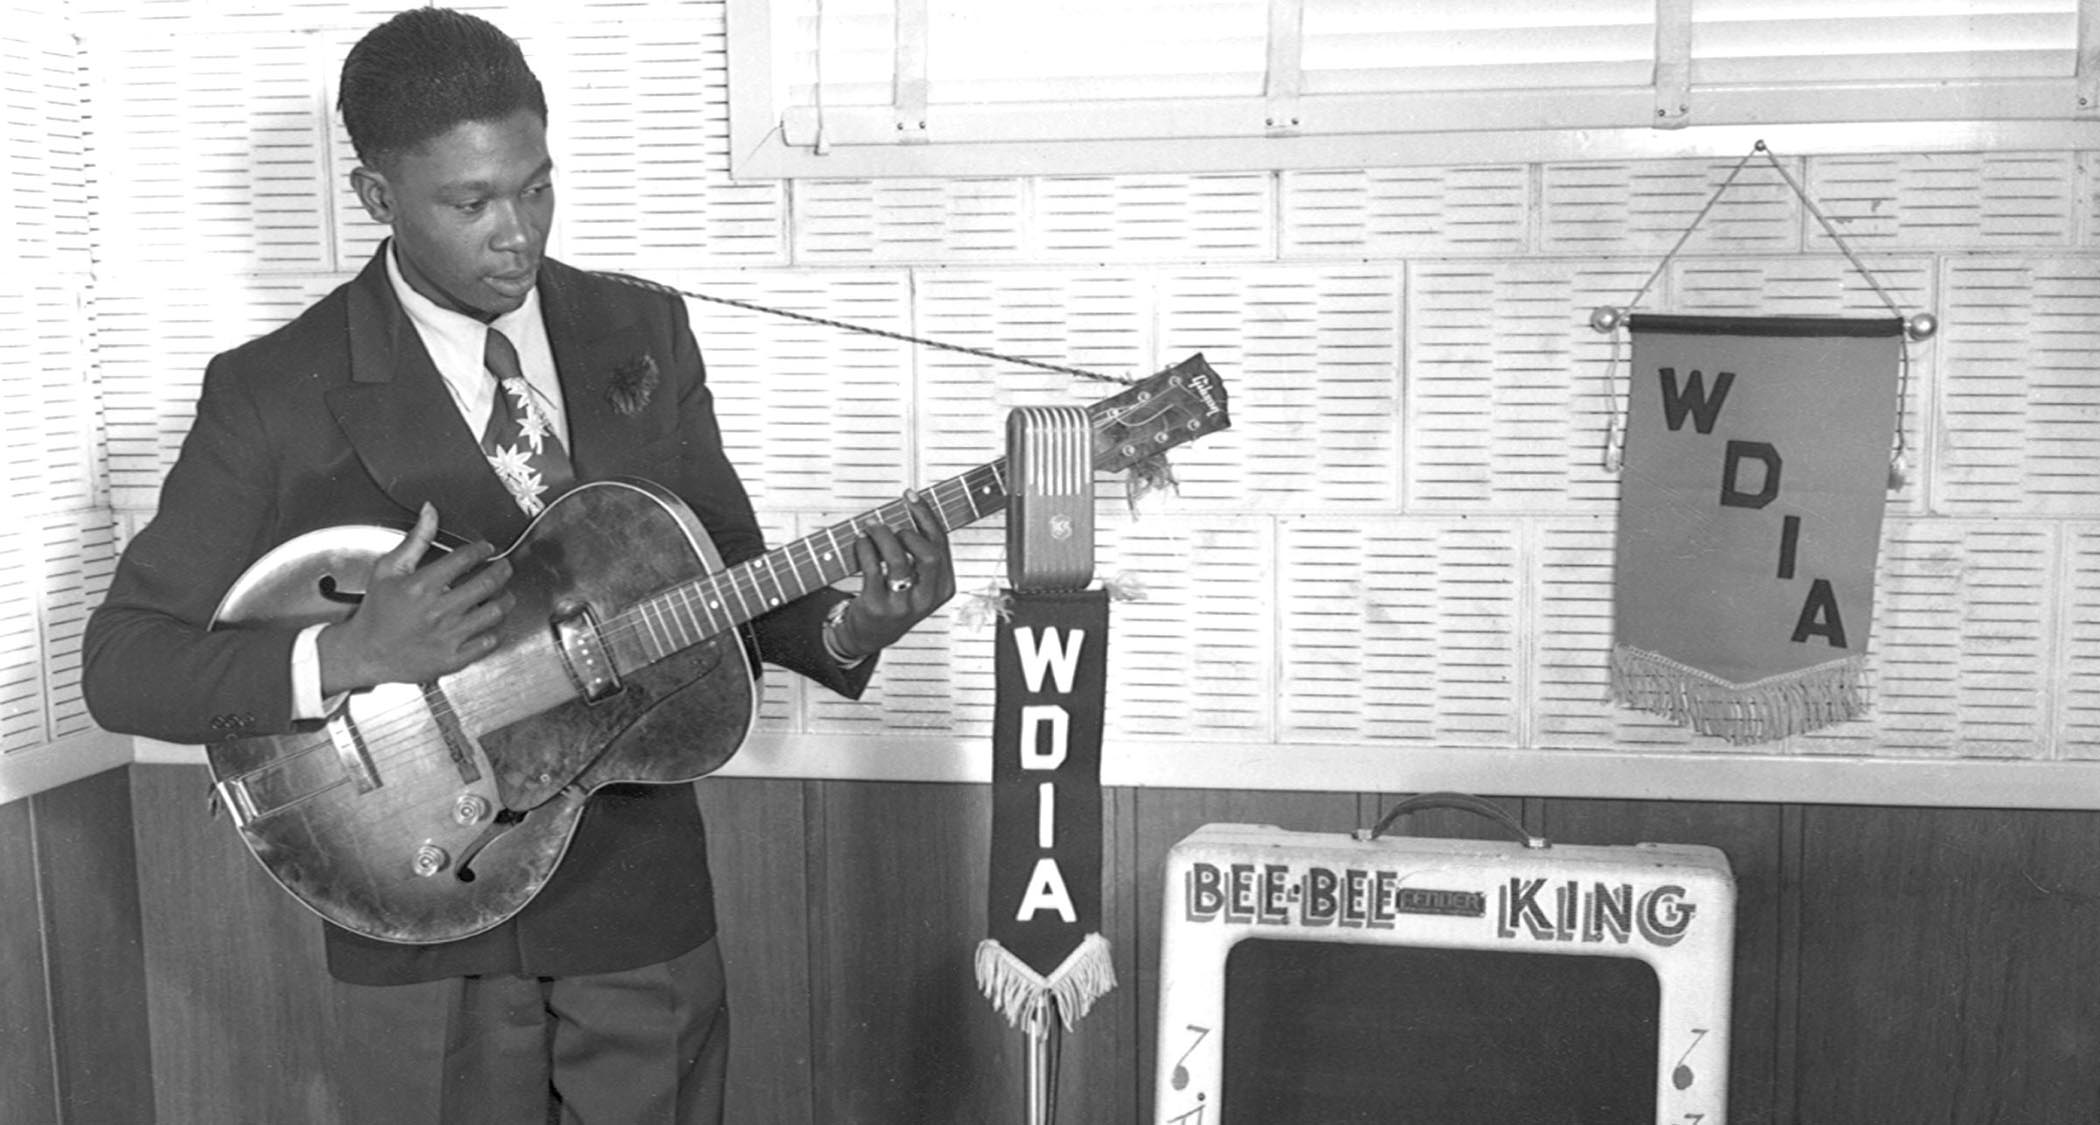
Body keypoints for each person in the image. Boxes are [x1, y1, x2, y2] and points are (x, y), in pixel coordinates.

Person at [80, 8, 954, 1122]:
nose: (518, 234)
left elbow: (719, 566)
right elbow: (123, 665)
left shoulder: (643, 329)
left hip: (639, 897)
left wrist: (849, 627)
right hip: (421, 905)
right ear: (376, 198)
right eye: (471, 202)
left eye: (536, 186)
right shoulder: (268, 390)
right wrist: (346, 652)